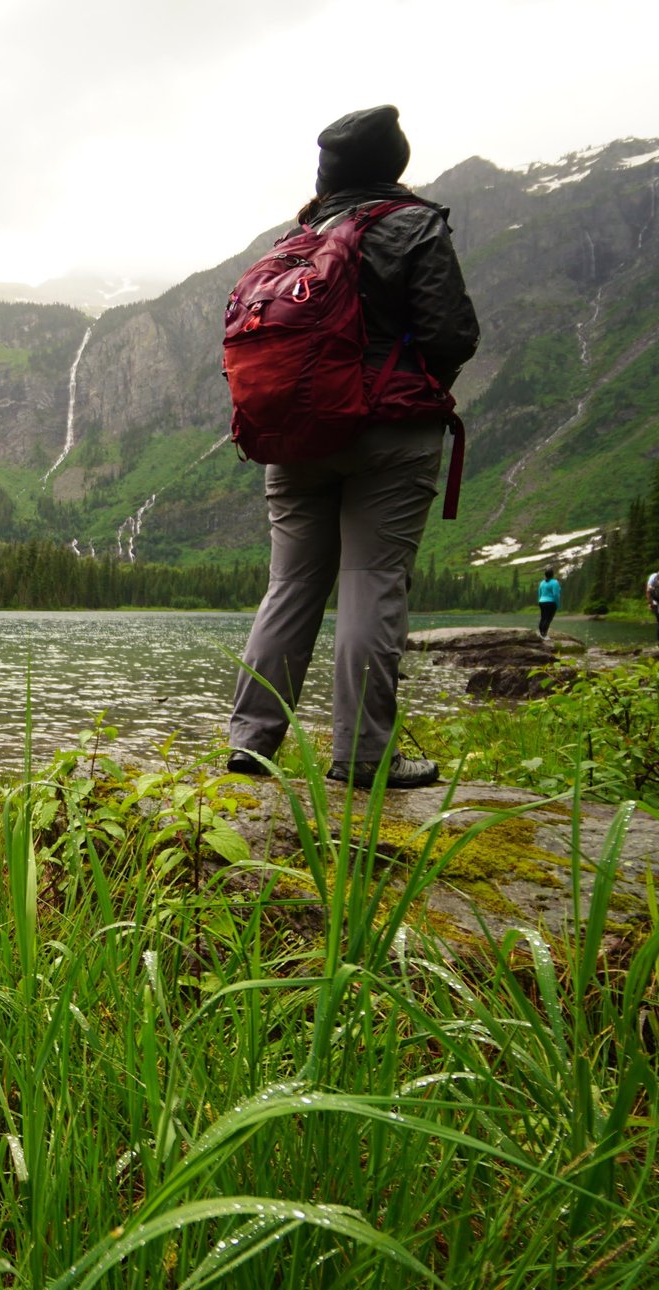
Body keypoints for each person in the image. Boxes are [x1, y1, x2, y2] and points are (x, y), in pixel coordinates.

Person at [227, 105, 480, 789]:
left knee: (289, 586)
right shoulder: (413, 225)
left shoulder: (298, 238)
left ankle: (249, 743)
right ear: (393, 166)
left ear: (327, 171)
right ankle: (365, 757)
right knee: (370, 584)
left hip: (296, 438)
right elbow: (452, 335)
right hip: (389, 434)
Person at [535, 568, 561, 640]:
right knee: (548, 619)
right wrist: (557, 604)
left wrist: (539, 601)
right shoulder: (555, 582)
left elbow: (539, 593)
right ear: (552, 575)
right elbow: (556, 594)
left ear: (545, 575)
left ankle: (540, 633)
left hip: (542, 602)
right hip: (550, 602)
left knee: (543, 618)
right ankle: (544, 635)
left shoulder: (542, 582)